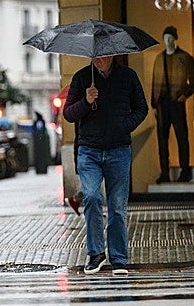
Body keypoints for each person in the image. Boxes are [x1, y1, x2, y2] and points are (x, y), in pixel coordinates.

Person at [63, 55, 148, 276]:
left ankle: (119, 258)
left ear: (112, 54)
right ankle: (96, 253)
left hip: (118, 150)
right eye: (95, 54)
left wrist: (125, 125)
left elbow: (142, 108)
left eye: (103, 54)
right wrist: (86, 101)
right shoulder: (82, 78)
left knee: (117, 207)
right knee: (91, 197)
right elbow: (68, 113)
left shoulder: (128, 76)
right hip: (89, 150)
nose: (98, 58)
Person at [151, 25, 194, 183]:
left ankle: (185, 170)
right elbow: (155, 83)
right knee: (162, 139)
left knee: (182, 136)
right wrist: (154, 104)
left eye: (170, 38)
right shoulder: (159, 58)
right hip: (162, 103)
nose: (168, 41)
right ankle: (164, 172)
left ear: (175, 39)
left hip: (177, 101)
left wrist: (185, 95)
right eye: (165, 38)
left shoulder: (184, 57)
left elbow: (193, 81)